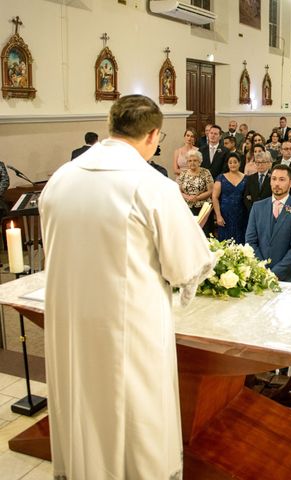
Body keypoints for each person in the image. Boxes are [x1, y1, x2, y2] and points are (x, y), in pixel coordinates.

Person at [39, 95, 214, 479]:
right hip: (130, 327)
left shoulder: (60, 178)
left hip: (71, 322)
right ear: (153, 135)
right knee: (135, 412)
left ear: (110, 127)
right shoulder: (152, 185)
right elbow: (186, 265)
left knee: (82, 401)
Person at [245, 164, 291, 282]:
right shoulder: (257, 207)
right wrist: (262, 269)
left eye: (282, 179)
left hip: (290, 277)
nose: (276, 184)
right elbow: (250, 241)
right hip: (260, 275)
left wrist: (274, 273)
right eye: (274, 179)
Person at [212, 153, 248, 243]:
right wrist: (218, 216)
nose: (233, 164)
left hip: (242, 215)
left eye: (235, 162)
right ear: (227, 164)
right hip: (225, 216)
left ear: (239, 163)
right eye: (230, 162)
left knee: (241, 242)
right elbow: (214, 197)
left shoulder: (246, 178)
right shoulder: (221, 177)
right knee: (225, 242)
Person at [176, 149, 214, 216]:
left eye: (195, 160)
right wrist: (187, 197)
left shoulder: (206, 172)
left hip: (203, 207)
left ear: (199, 161)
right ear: (187, 162)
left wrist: (197, 198)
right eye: (190, 161)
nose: (192, 163)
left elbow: (210, 191)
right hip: (186, 207)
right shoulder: (183, 173)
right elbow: (178, 190)